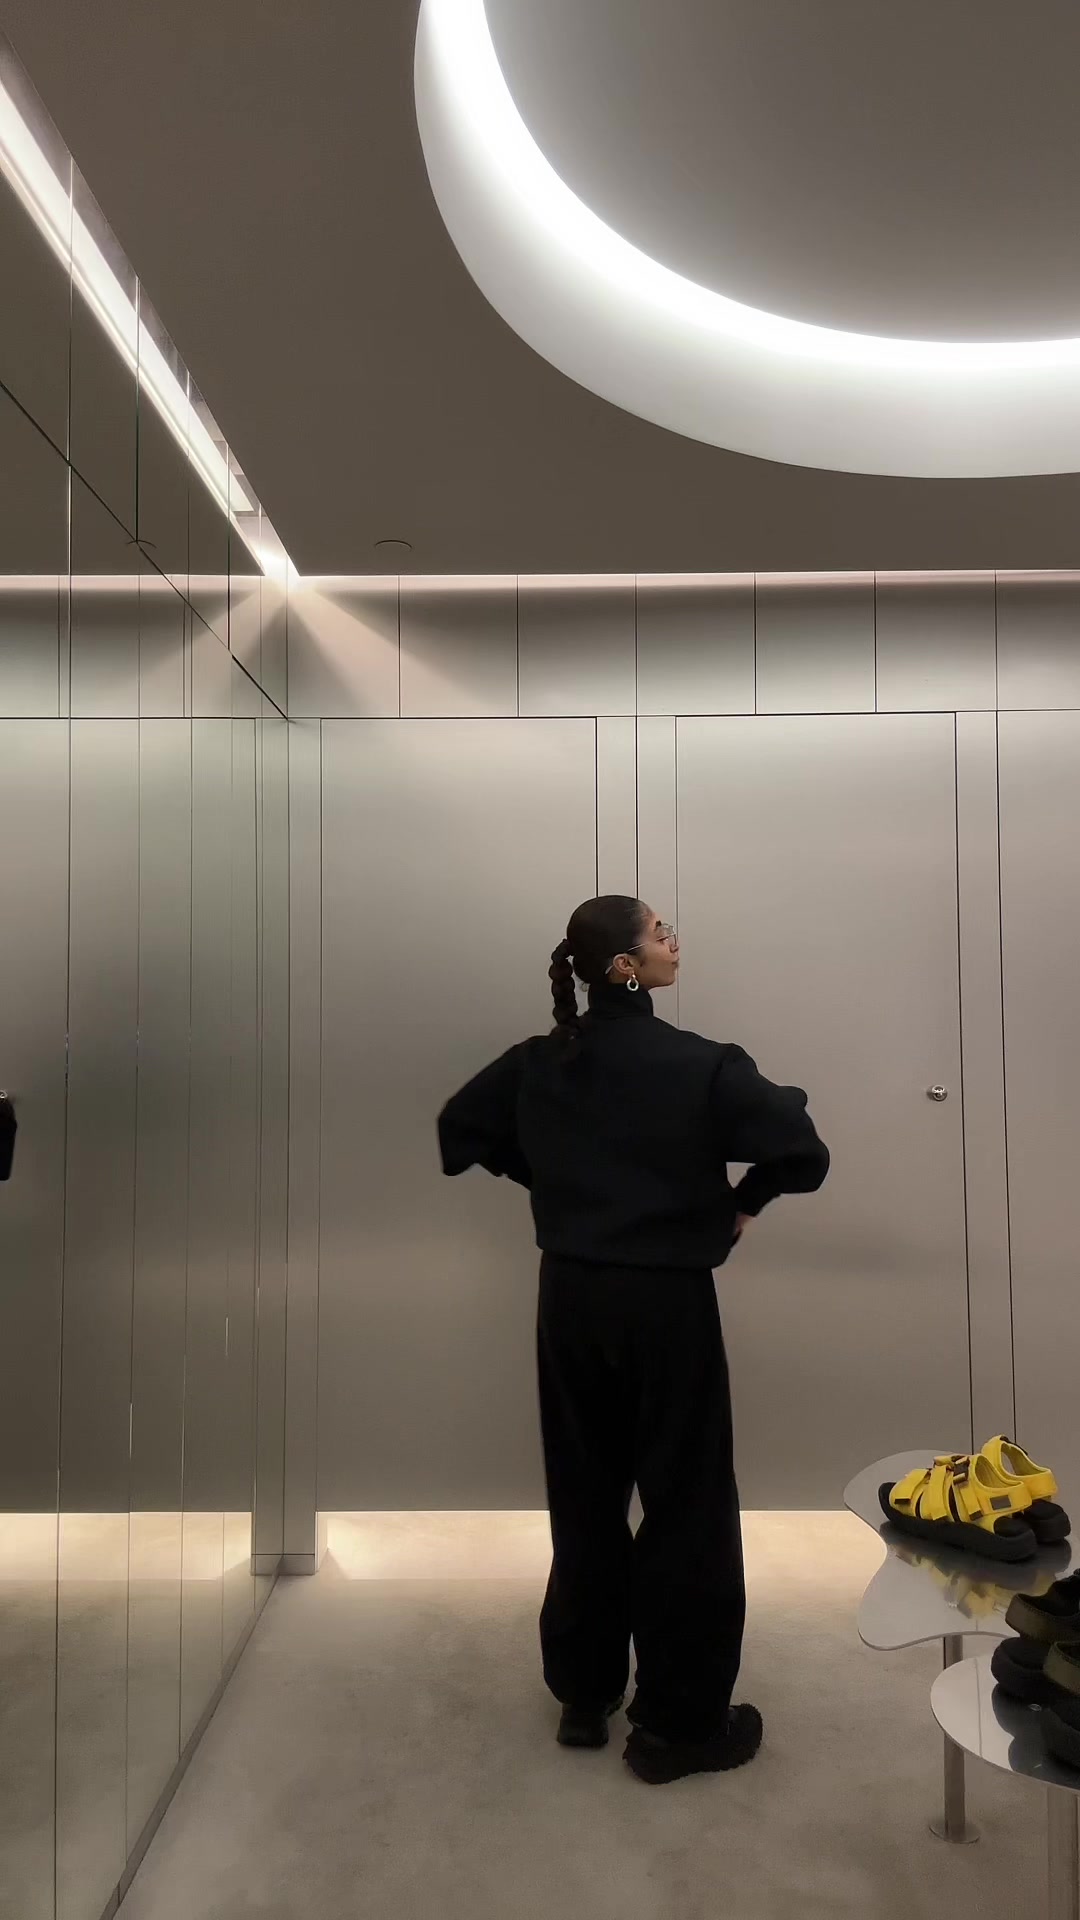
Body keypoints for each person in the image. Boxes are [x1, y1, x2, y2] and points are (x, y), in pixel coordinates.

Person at [438, 895, 829, 1786]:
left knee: (584, 1492)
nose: (673, 942)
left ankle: (584, 1693)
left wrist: (559, 1185)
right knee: (687, 1503)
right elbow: (801, 1150)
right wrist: (741, 1202)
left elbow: (462, 1130)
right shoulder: (701, 1064)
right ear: (625, 967)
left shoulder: (540, 1062)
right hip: (667, 1305)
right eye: (660, 933)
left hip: (570, 1298)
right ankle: (679, 1727)